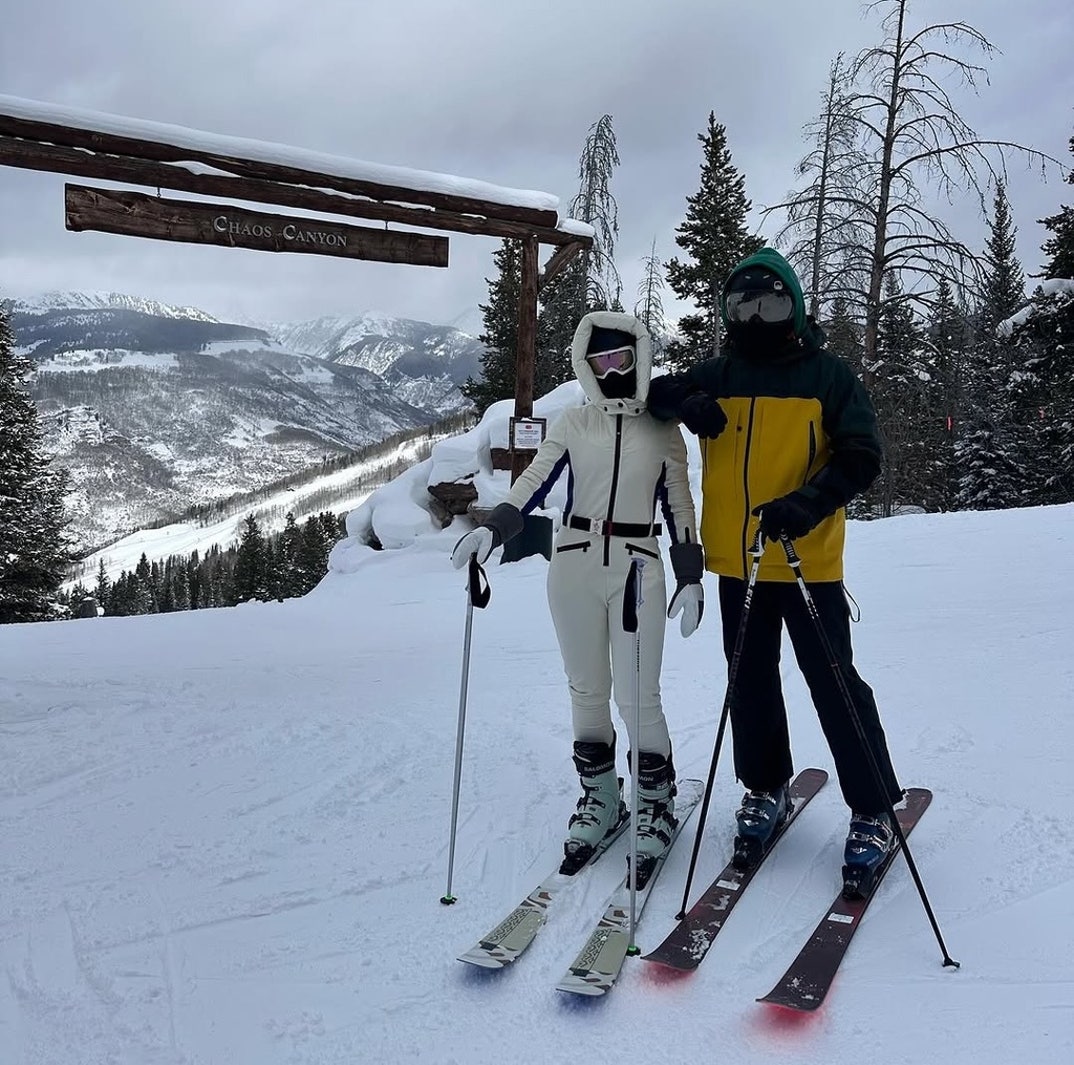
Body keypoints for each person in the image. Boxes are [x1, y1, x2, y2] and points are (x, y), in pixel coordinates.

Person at [647, 247, 902, 893]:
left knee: (834, 682)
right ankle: (766, 786)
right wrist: (688, 398)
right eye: (742, 306)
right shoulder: (721, 372)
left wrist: (808, 503)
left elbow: (862, 454)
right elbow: (653, 392)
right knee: (750, 680)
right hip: (739, 563)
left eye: (770, 303)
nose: (756, 317)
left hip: (805, 559)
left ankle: (874, 806)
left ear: (794, 307)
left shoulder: (827, 376)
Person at [450, 311, 703, 887]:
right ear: (585, 366)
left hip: (638, 564)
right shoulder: (574, 422)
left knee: (638, 695)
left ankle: (655, 802)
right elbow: (533, 481)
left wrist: (690, 574)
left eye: (621, 359)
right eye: (599, 361)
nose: (610, 371)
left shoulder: (662, 429)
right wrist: (494, 529)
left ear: (639, 358)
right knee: (586, 690)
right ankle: (602, 797)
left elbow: (680, 506)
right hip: (574, 563)